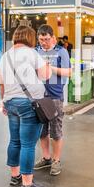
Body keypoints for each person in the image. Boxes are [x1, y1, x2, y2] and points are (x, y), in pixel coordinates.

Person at [0, 25, 52, 187]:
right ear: (30, 37)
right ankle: (27, 184)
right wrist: (48, 66)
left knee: (15, 141)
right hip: (29, 104)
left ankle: (15, 176)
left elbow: (1, 82)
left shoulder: (5, 56)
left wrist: (3, 102)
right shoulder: (31, 53)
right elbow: (45, 76)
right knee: (28, 144)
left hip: (11, 102)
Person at [34, 25, 71, 176]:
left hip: (55, 97)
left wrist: (50, 68)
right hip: (39, 96)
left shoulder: (61, 52)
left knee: (56, 131)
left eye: (46, 39)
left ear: (53, 38)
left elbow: (68, 72)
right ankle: (46, 157)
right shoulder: (36, 52)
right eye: (41, 40)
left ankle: (56, 160)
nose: (44, 42)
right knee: (42, 131)